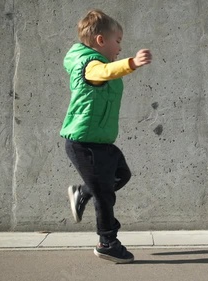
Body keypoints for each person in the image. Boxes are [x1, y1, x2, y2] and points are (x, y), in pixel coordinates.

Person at [60, 9, 152, 264]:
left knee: (121, 175)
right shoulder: (89, 66)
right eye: (118, 41)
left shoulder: (97, 62)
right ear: (101, 41)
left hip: (101, 142)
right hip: (84, 142)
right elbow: (102, 74)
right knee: (105, 194)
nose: (120, 47)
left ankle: (83, 192)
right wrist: (131, 63)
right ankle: (107, 242)